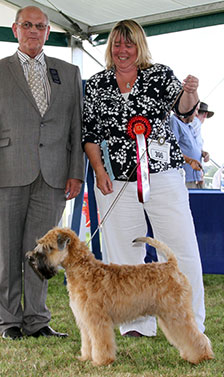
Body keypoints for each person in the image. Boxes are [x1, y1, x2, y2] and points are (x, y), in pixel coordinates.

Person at [82, 19, 206, 337]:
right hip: (115, 179)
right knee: (122, 254)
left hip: (163, 176)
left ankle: (190, 321)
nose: (123, 50)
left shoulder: (160, 74)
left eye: (130, 43)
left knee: (180, 249)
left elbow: (184, 110)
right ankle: (136, 323)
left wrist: (190, 93)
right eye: (117, 44)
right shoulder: (96, 84)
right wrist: (98, 171)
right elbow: (90, 133)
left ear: (140, 46)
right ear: (111, 47)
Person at [0, 6, 84, 340]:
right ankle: (8, 321)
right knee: (6, 251)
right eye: (27, 25)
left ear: (49, 32)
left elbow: (77, 127)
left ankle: (37, 320)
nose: (33, 31)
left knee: (44, 252)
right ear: (15, 29)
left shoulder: (69, 72)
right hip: (7, 171)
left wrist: (75, 171)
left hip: (54, 176)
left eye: (40, 26)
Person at [170, 102, 214, 188]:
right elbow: (172, 150)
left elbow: (191, 147)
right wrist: (190, 161)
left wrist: (203, 153)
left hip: (196, 177)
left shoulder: (189, 125)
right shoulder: (174, 121)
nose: (197, 114)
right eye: (196, 110)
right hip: (185, 178)